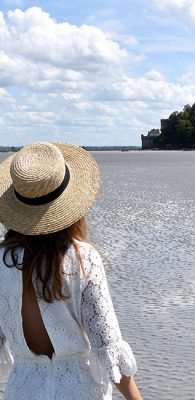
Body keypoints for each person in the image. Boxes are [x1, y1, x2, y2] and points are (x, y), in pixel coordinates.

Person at [0, 142, 143, 400]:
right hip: (79, 391)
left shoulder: (1, 262)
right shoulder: (82, 258)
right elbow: (107, 346)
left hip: (22, 391)